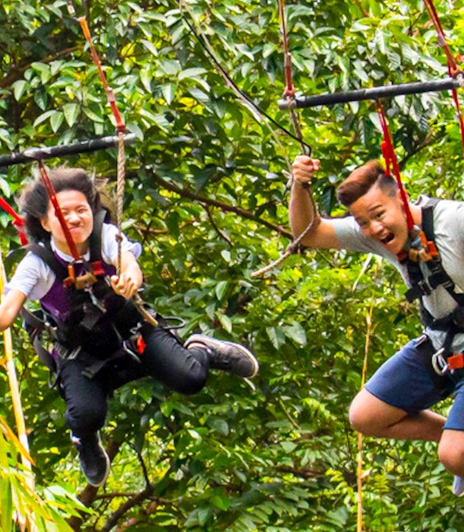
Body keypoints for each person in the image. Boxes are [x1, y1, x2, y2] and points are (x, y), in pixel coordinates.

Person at [0, 167, 258, 487]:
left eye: (81, 210)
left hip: (131, 332)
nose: (74, 219)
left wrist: (129, 278)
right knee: (84, 414)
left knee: (191, 378)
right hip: (81, 352)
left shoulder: (105, 237)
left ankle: (201, 350)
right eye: (63, 213)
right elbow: (7, 312)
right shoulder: (36, 263)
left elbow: (127, 262)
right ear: (45, 222)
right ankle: (87, 441)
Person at [290, 155, 464, 496]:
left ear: (400, 197)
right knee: (365, 416)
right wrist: (300, 184)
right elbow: (309, 233)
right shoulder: (375, 234)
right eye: (363, 222)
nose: (374, 229)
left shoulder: (453, 220)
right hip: (443, 346)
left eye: (379, 215)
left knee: (453, 455)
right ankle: (456, 436)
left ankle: (458, 447)